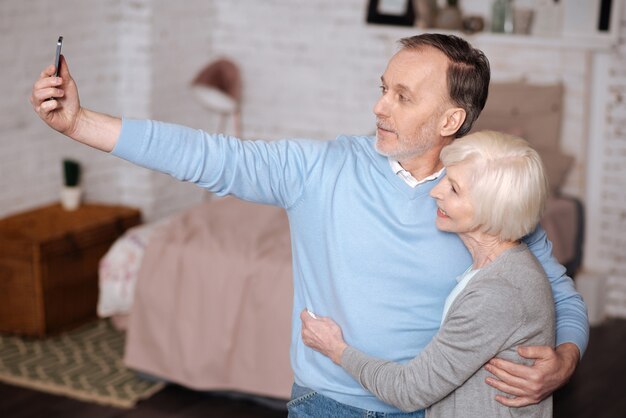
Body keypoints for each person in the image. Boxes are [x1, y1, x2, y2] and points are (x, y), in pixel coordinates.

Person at [31, 33, 588, 417]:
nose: (379, 107)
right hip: (330, 407)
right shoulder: (322, 168)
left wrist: (565, 360)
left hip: (435, 409)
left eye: (402, 96)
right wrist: (80, 123)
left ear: (451, 119)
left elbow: (553, 291)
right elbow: (207, 154)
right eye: (382, 87)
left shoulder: (487, 197)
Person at [300, 130, 555, 417]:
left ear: (493, 209)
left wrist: (336, 349)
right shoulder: (494, 268)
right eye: (446, 177)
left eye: (454, 189)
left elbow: (410, 391)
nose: (435, 191)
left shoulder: (498, 293)